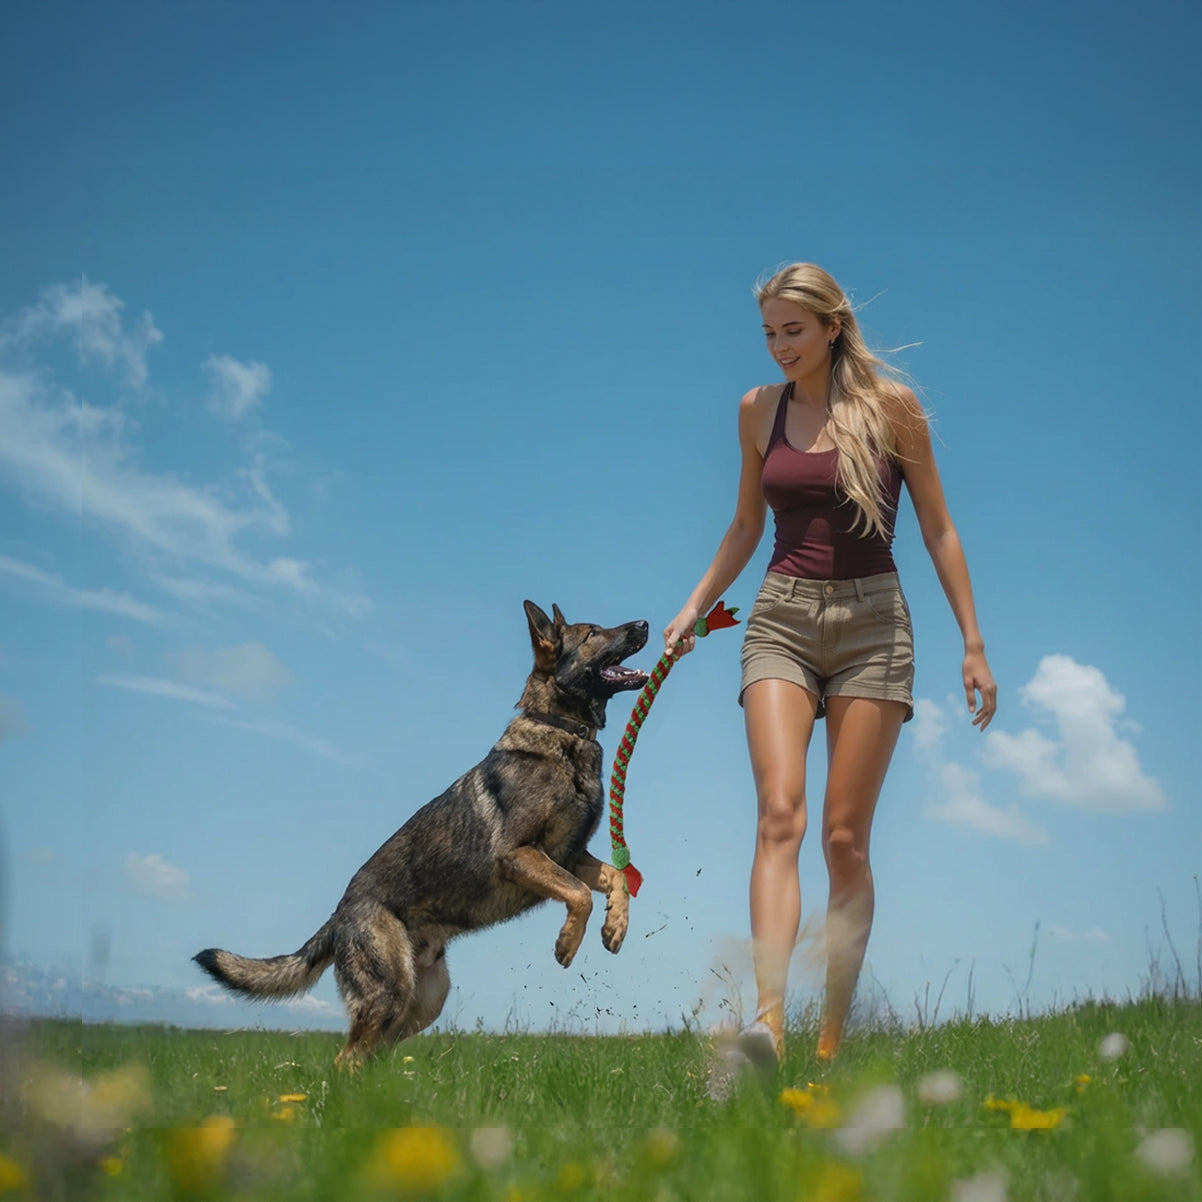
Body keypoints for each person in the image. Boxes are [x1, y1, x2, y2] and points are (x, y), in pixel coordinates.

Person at [664, 262, 996, 1067]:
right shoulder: (756, 411)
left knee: (845, 840)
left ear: (832, 327)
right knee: (781, 815)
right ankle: (767, 1025)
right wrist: (693, 606)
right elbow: (745, 525)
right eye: (770, 333)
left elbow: (939, 530)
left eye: (794, 331)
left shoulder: (891, 410)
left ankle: (828, 1047)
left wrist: (973, 642)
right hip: (780, 617)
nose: (780, 347)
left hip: (874, 625)